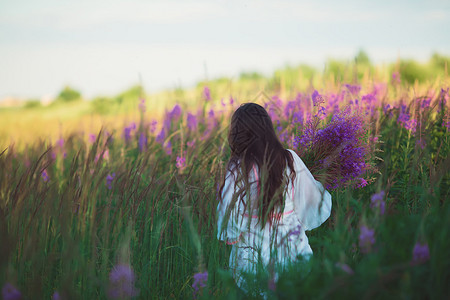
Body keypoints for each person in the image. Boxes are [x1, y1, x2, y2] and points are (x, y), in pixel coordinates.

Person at [216, 103, 332, 292]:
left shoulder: (237, 167)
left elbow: (229, 220)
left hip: (253, 263)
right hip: (294, 254)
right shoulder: (289, 159)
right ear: (267, 128)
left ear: (238, 133)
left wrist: (234, 235)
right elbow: (313, 203)